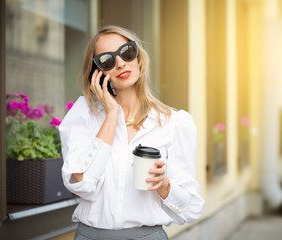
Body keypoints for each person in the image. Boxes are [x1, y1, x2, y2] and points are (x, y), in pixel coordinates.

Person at [59, 25, 205, 240]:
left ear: (138, 58)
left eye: (126, 52)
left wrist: (165, 185)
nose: (120, 63)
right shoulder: (84, 115)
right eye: (107, 60)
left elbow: (192, 208)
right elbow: (82, 184)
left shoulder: (173, 123)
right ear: (97, 73)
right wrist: (111, 115)